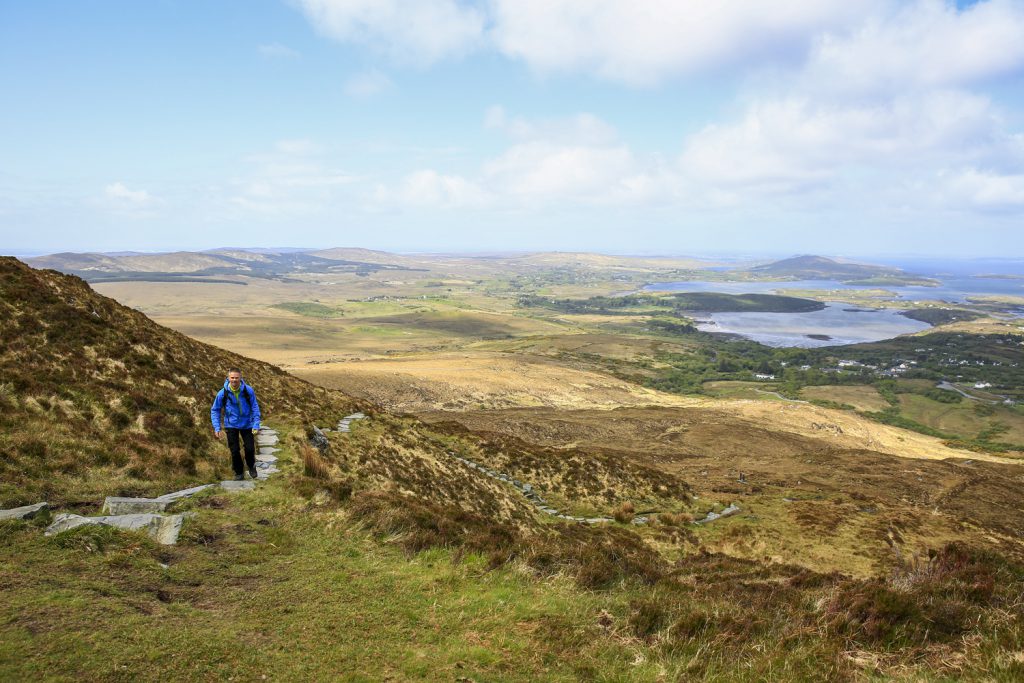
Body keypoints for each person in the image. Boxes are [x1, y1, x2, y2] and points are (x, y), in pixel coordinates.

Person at [210, 367, 262, 481]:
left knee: (249, 449)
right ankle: (239, 472)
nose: (234, 380)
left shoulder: (248, 391)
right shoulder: (222, 393)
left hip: (247, 424)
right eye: (232, 378)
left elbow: (255, 407)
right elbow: (215, 410)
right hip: (231, 424)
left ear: (241, 378)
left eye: (236, 378)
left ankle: (251, 466)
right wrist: (217, 427)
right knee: (234, 450)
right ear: (228, 378)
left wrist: (256, 424)